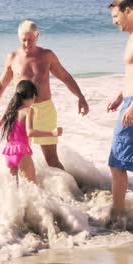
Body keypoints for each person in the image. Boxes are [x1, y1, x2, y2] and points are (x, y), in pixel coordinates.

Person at [0, 20, 89, 171]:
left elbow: (65, 77)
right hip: (21, 113)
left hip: (45, 110)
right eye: (24, 40)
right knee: (18, 157)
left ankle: (72, 191)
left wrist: (80, 97)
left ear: (37, 36)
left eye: (30, 39)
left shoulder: (47, 55)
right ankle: (27, 192)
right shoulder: (12, 57)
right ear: (19, 38)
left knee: (51, 159)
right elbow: (1, 85)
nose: (27, 43)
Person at [0, 80, 63, 184]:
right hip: (21, 151)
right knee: (33, 187)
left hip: (9, 152)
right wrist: (52, 133)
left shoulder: (10, 110)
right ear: (32, 96)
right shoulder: (29, 110)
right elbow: (30, 132)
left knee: (14, 189)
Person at [107, 0, 133, 227]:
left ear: (129, 10)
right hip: (129, 100)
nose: (114, 21)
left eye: (116, 16)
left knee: (117, 162)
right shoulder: (131, 37)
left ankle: (117, 216)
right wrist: (121, 95)